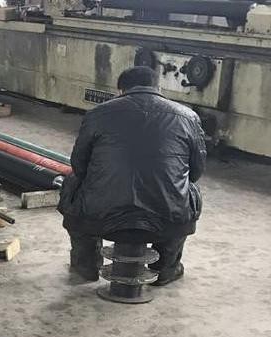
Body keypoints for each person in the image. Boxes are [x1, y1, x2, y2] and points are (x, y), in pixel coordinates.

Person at [58, 66, 207, 285]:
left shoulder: (98, 114)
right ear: (158, 88)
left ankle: (86, 265)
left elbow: (79, 166)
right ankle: (166, 268)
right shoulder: (188, 117)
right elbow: (196, 171)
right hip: (167, 220)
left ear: (120, 90)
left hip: (101, 217)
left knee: (72, 182)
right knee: (187, 188)